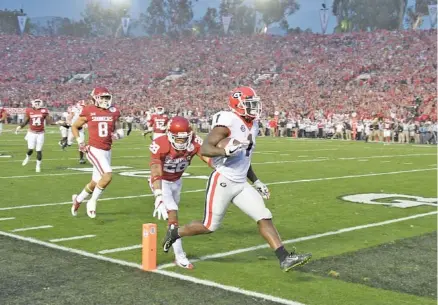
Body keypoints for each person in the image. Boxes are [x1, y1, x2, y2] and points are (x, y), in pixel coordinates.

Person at [162, 86, 312, 271]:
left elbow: (244, 159)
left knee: (264, 216)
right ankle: (175, 233)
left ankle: (284, 258)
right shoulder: (228, 121)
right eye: (250, 104)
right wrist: (224, 150)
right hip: (223, 180)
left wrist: (256, 181)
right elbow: (205, 149)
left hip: (241, 183)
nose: (254, 107)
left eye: (254, 103)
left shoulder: (254, 125)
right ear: (238, 105)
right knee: (209, 226)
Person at [149, 116, 211, 269]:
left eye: (185, 138)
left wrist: (223, 170)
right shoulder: (160, 144)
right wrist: (158, 195)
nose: (182, 142)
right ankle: (180, 256)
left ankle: (171, 238)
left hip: (177, 181)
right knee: (173, 215)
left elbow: (208, 159)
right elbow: (155, 170)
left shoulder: (195, 142)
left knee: (173, 216)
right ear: (170, 135)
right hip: (161, 181)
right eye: (178, 138)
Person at [70, 87, 123, 219]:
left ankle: (78, 199)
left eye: (107, 97)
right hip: (93, 149)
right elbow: (75, 126)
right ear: (95, 98)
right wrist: (80, 141)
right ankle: (92, 202)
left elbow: (119, 127)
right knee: (107, 175)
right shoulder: (89, 110)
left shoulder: (114, 111)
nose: (105, 100)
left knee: (95, 182)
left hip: (107, 150)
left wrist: (119, 134)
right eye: (102, 97)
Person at [15, 99, 50, 173]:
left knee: (39, 151)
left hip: (40, 133)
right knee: (30, 149)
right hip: (31, 133)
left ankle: (38, 166)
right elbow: (26, 121)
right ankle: (27, 157)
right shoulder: (29, 111)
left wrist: (57, 122)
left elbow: (49, 121)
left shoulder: (44, 111)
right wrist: (20, 127)